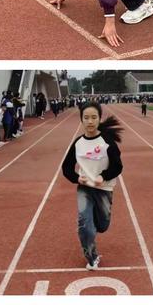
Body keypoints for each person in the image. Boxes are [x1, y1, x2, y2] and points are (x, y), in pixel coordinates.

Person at [62, 102, 123, 270]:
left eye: (94, 117)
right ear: (81, 120)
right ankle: (92, 257)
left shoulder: (107, 142)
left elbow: (118, 166)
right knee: (84, 223)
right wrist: (77, 179)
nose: (90, 121)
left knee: (102, 225)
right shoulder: (78, 143)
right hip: (85, 188)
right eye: (86, 118)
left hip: (104, 188)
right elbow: (66, 168)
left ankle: (92, 226)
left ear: (99, 119)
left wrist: (103, 177)